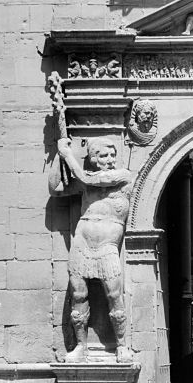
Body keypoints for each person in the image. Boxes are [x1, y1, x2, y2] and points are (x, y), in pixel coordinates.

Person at [48, 136, 135, 363]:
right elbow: (55, 188)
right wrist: (59, 156)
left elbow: (89, 178)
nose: (110, 160)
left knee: (114, 295)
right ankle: (81, 346)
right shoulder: (86, 182)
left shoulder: (122, 176)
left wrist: (68, 155)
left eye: (112, 155)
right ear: (94, 159)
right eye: (104, 156)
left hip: (107, 245)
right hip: (82, 243)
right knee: (78, 294)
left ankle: (122, 346)